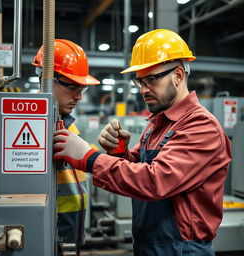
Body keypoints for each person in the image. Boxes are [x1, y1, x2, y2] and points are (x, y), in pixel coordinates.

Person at [53, 29, 232, 256]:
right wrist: (120, 153)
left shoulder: (201, 127)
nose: (144, 90)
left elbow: (155, 181)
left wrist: (89, 158)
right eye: (140, 82)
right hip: (148, 244)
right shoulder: (159, 122)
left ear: (178, 75)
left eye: (151, 80)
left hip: (182, 250)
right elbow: (139, 169)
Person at [32, 39, 100, 249]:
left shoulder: (67, 124)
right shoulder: (35, 128)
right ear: (46, 79)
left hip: (71, 230)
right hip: (50, 230)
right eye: (72, 86)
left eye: (82, 89)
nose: (79, 96)